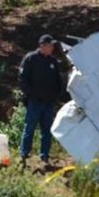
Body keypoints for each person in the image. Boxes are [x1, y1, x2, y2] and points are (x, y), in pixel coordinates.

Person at [18, 34, 63, 164]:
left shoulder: (52, 61)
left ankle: (44, 155)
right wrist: (31, 94)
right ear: (43, 46)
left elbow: (58, 81)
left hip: (48, 102)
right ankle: (24, 153)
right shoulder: (30, 58)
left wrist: (56, 95)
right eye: (50, 45)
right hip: (34, 101)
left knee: (46, 129)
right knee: (30, 127)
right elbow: (22, 79)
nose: (53, 48)